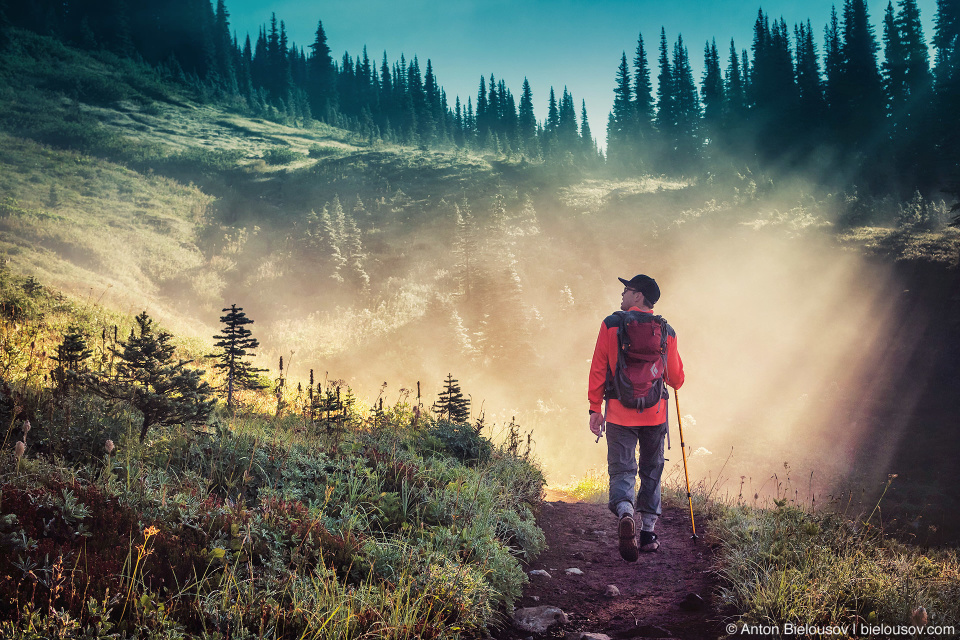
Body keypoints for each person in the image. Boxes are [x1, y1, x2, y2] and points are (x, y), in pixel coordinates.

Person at [588, 274, 684, 562]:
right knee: (651, 470)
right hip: (655, 414)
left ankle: (625, 512)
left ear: (639, 296)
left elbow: (598, 368)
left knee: (622, 469)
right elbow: (676, 379)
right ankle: (648, 534)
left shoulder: (611, 325)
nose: (622, 294)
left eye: (627, 290)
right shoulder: (666, 330)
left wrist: (595, 408)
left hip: (619, 411)